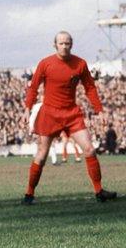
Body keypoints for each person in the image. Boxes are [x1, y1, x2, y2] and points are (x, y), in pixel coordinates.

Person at [22, 31, 117, 204]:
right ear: (55, 45)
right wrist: (28, 108)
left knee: (89, 149)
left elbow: (90, 87)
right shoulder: (45, 63)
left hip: (72, 114)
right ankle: (29, 194)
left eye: (67, 43)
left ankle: (99, 191)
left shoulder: (80, 64)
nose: (64, 46)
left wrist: (100, 110)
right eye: (61, 43)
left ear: (71, 44)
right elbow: (33, 87)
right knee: (42, 155)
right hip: (50, 114)